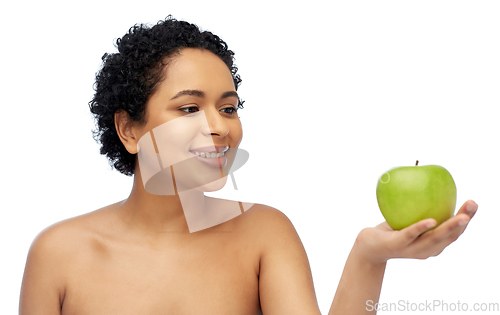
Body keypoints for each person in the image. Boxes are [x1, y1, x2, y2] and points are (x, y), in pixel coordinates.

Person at [19, 16, 477, 315]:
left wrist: (370, 256)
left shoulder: (264, 233)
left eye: (229, 107)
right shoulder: (59, 253)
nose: (219, 127)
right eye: (188, 109)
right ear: (129, 129)